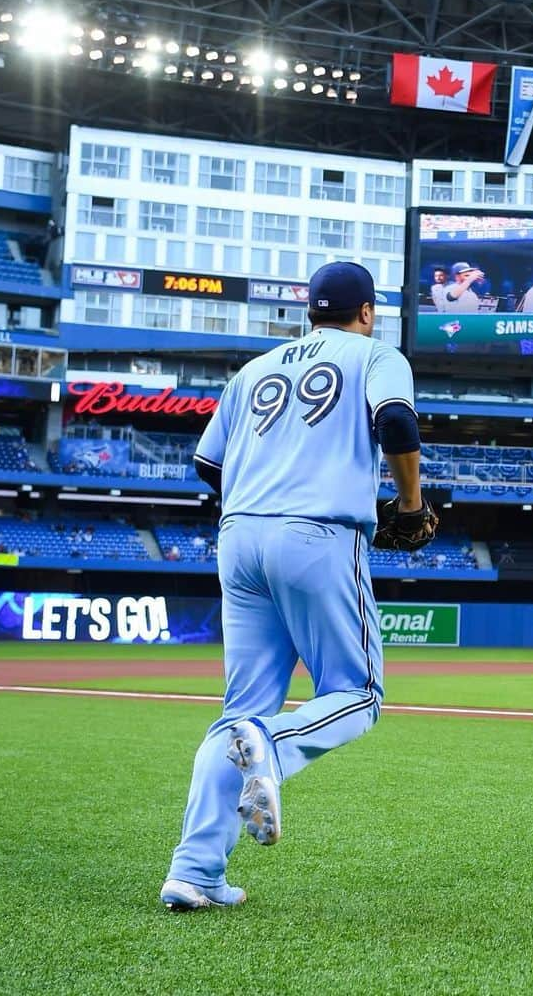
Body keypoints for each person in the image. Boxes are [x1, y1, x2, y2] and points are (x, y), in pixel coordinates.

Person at [161, 261, 427, 912]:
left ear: (311, 310)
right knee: (357, 693)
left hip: (241, 536)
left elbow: (206, 463)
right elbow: (396, 423)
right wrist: (412, 504)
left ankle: (194, 873)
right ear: (366, 312)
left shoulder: (253, 370)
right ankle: (272, 749)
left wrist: (264, 497)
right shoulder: (374, 353)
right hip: (316, 535)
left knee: (238, 711)